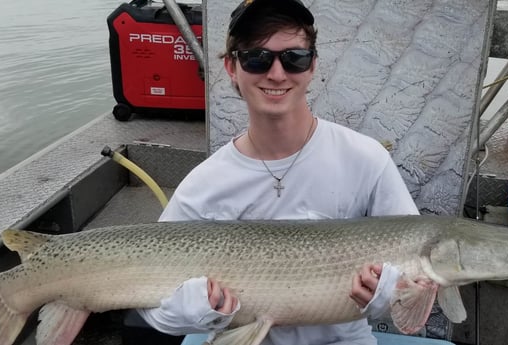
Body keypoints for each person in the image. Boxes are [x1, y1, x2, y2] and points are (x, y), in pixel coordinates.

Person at [137, 0, 420, 344]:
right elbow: (149, 301)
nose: (276, 73)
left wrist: (390, 293)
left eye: (294, 58)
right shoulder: (204, 185)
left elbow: (416, 266)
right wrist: (189, 311)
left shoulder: (366, 159)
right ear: (231, 67)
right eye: (257, 58)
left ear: (313, 65)